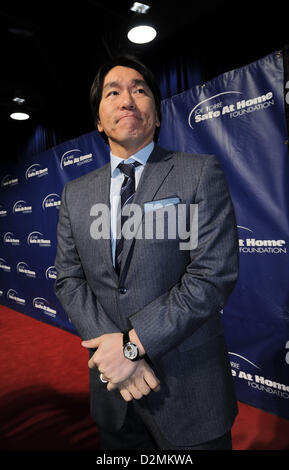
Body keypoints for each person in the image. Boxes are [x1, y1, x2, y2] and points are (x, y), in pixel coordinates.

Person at [54, 54, 239, 450]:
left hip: (190, 392)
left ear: (155, 115)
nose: (127, 100)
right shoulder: (75, 194)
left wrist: (133, 345)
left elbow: (211, 274)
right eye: (113, 92)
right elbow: (68, 278)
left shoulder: (199, 172)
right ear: (99, 122)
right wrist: (111, 346)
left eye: (139, 90)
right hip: (113, 393)